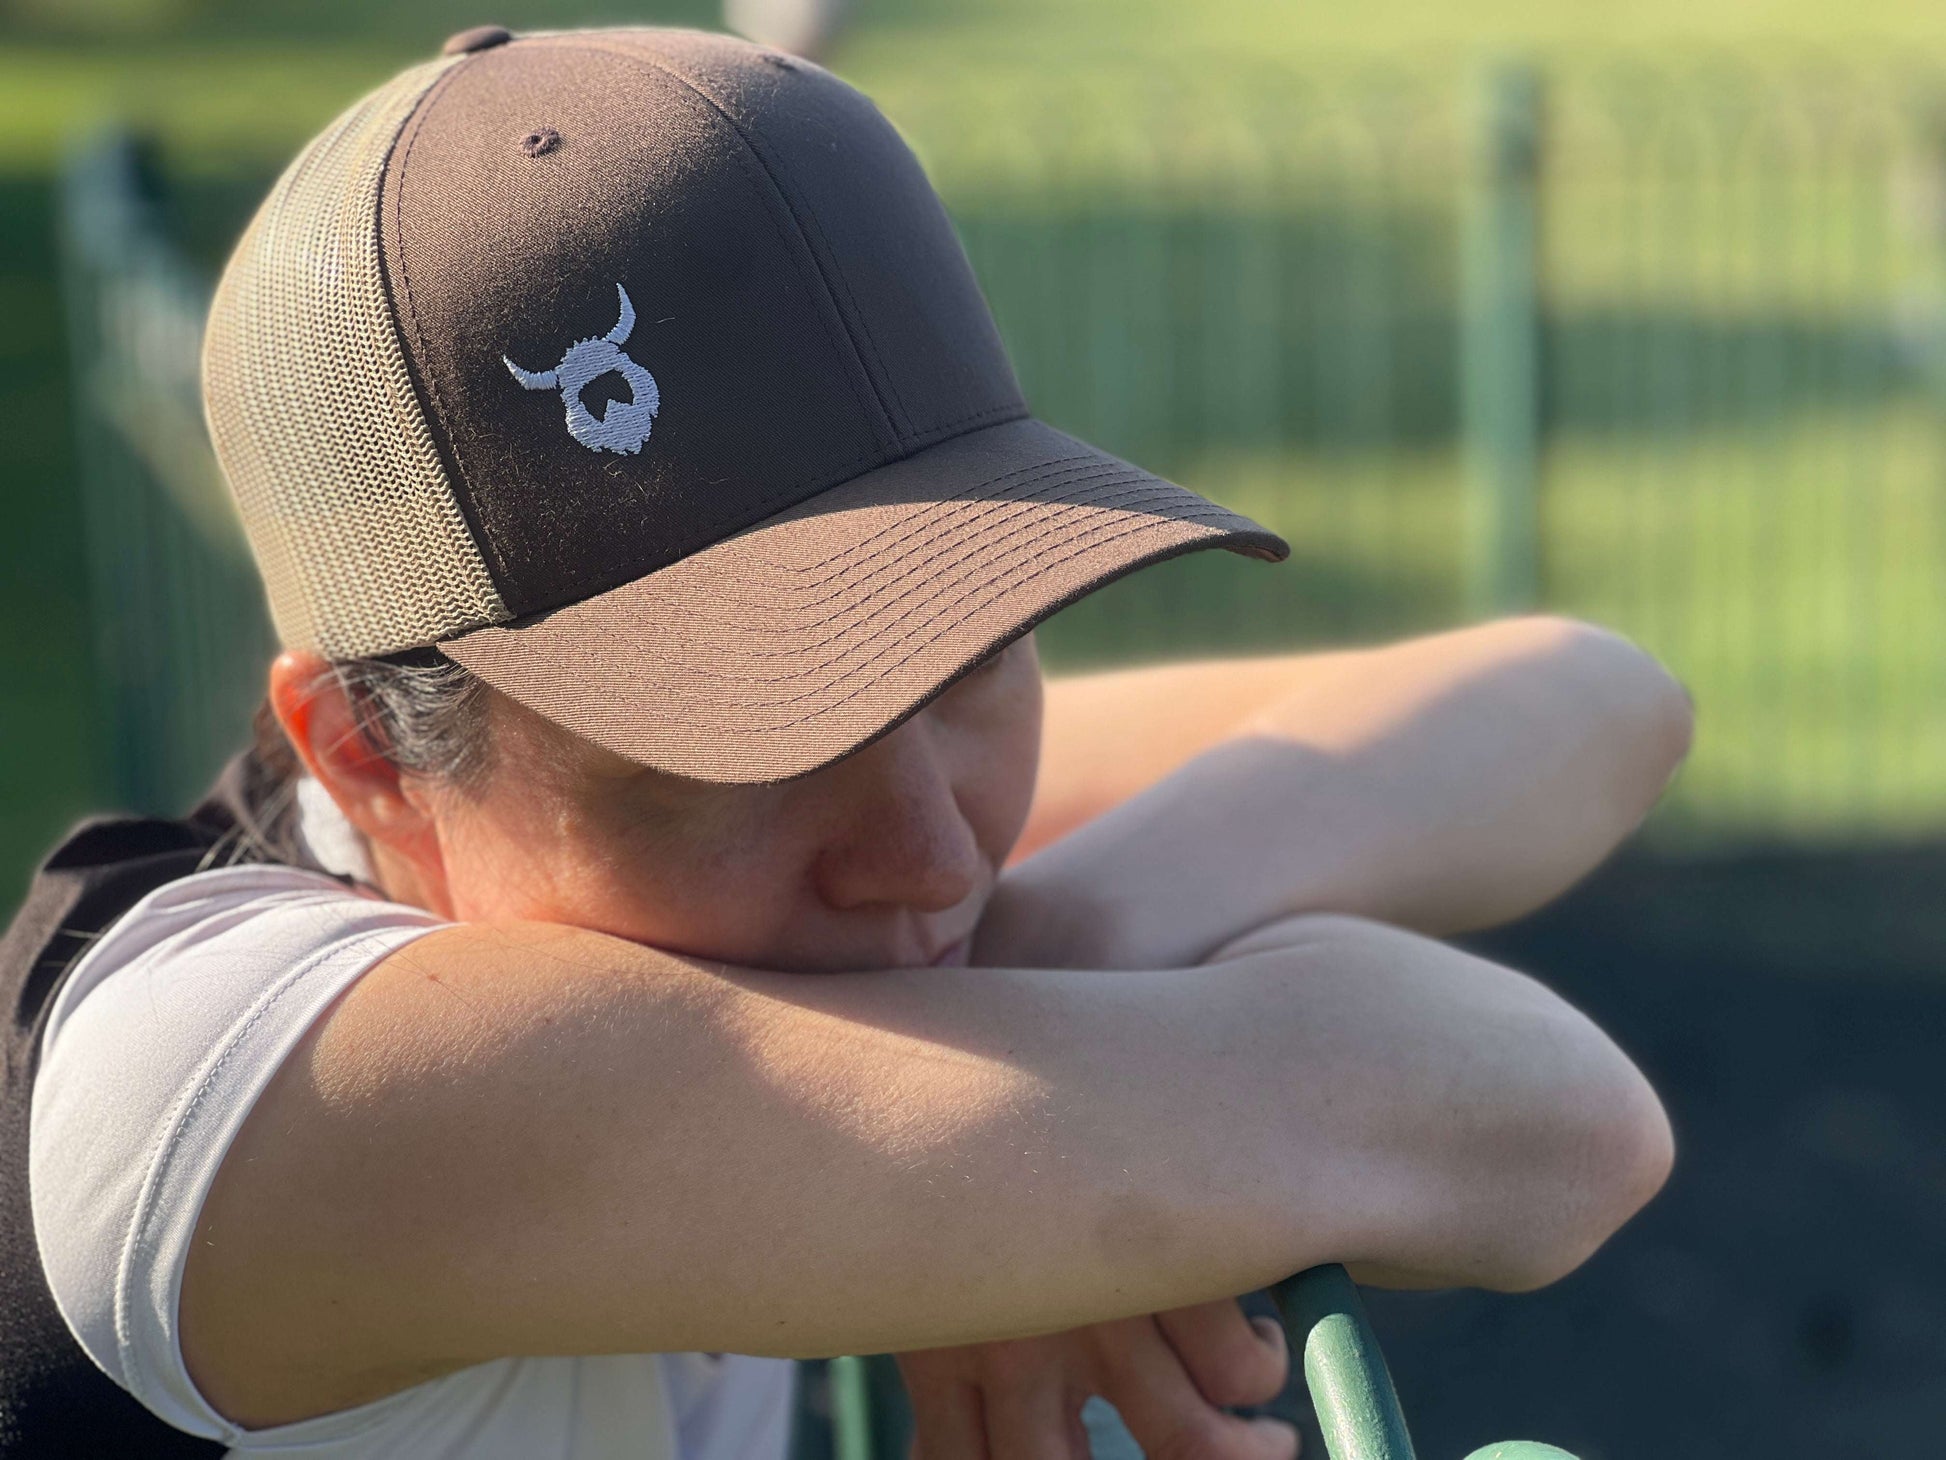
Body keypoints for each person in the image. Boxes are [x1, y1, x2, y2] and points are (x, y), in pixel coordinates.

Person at [0, 25, 1688, 1460]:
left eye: (970, 655)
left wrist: (1061, 945)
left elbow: (1590, 698)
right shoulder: (248, 1079)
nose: (934, 854)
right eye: (737, 741)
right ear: (363, 747)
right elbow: (1536, 1124)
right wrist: (1055, 1113)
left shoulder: (832, 862)